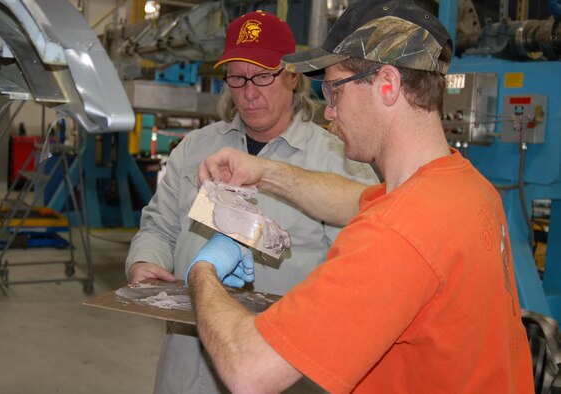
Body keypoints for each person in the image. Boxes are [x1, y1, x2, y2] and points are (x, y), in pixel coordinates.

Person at [187, 0, 535, 392]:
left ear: (387, 84)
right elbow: (355, 200)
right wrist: (265, 172)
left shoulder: (397, 232)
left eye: (334, 91)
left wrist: (203, 272)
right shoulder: (465, 188)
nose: (329, 112)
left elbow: (248, 369)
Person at [125, 9, 379, 394]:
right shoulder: (195, 148)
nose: (248, 92)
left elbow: (360, 280)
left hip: (281, 371)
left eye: (263, 75)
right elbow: (159, 226)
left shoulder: (340, 162)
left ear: (292, 76)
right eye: (237, 77)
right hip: (187, 369)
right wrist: (146, 262)